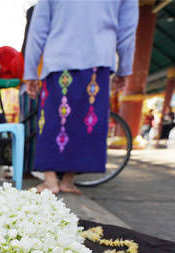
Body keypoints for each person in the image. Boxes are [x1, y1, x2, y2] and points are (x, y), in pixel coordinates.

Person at [24, 0, 138, 194]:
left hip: (59, 59)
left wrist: (31, 70)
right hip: (98, 59)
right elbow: (127, 31)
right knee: (87, 122)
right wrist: (124, 69)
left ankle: (51, 180)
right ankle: (68, 180)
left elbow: (39, 27)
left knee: (52, 120)